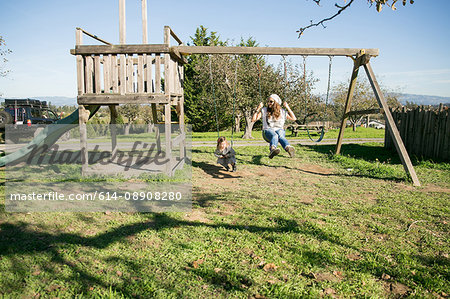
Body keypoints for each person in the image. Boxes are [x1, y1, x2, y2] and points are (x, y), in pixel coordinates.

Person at [252, 94, 297, 159]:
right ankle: (272, 149)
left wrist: (287, 107)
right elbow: (253, 119)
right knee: (275, 135)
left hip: (279, 130)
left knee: (280, 136)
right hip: (267, 131)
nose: (268, 103)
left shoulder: (282, 112)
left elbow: (294, 118)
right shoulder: (264, 110)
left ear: (276, 103)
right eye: (268, 101)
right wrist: (258, 108)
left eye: (271, 101)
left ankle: (288, 148)